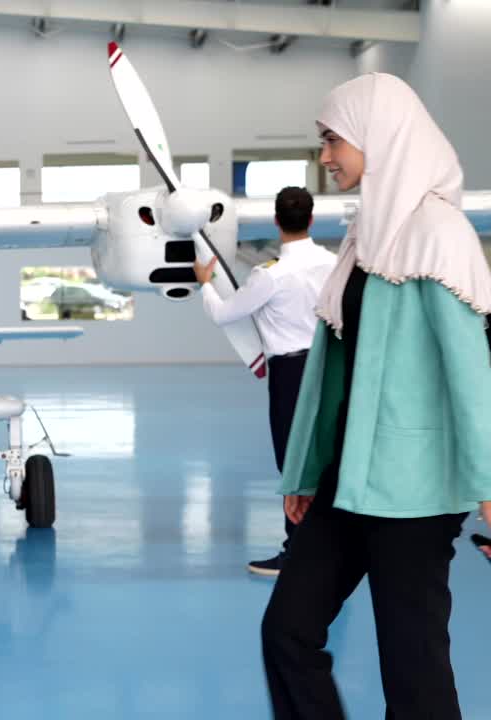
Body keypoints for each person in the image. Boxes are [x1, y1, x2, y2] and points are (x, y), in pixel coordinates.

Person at [260, 73, 491, 720]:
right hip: (346, 480)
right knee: (287, 631)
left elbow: (469, 372)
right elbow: (335, 367)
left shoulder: (438, 235)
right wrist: (306, 470)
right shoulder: (366, 238)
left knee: (413, 670)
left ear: (378, 134)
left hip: (414, 492)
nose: (326, 155)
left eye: (334, 138)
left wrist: (489, 480)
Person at [194, 186, 337, 576]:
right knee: (326, 457)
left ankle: (298, 553)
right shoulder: (333, 263)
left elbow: (224, 314)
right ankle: (330, 548)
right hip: (329, 368)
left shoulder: (268, 276)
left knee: (293, 461)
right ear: (310, 219)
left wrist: (205, 282)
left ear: (277, 221)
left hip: (291, 375)